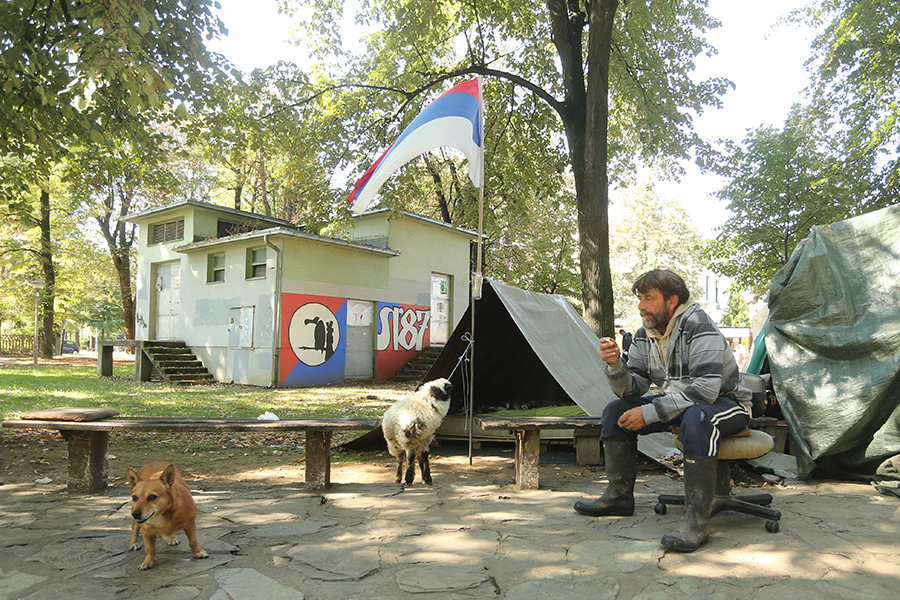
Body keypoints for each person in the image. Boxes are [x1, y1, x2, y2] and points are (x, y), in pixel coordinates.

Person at [574, 269, 753, 552]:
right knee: (614, 412)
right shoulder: (645, 333)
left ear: (672, 301)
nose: (641, 305)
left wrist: (649, 414)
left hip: (727, 403)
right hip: (682, 403)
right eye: (640, 298)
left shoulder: (699, 324)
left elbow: (706, 391)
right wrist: (615, 365)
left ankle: (697, 522)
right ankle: (619, 498)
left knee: (698, 417)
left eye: (649, 298)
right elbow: (631, 391)